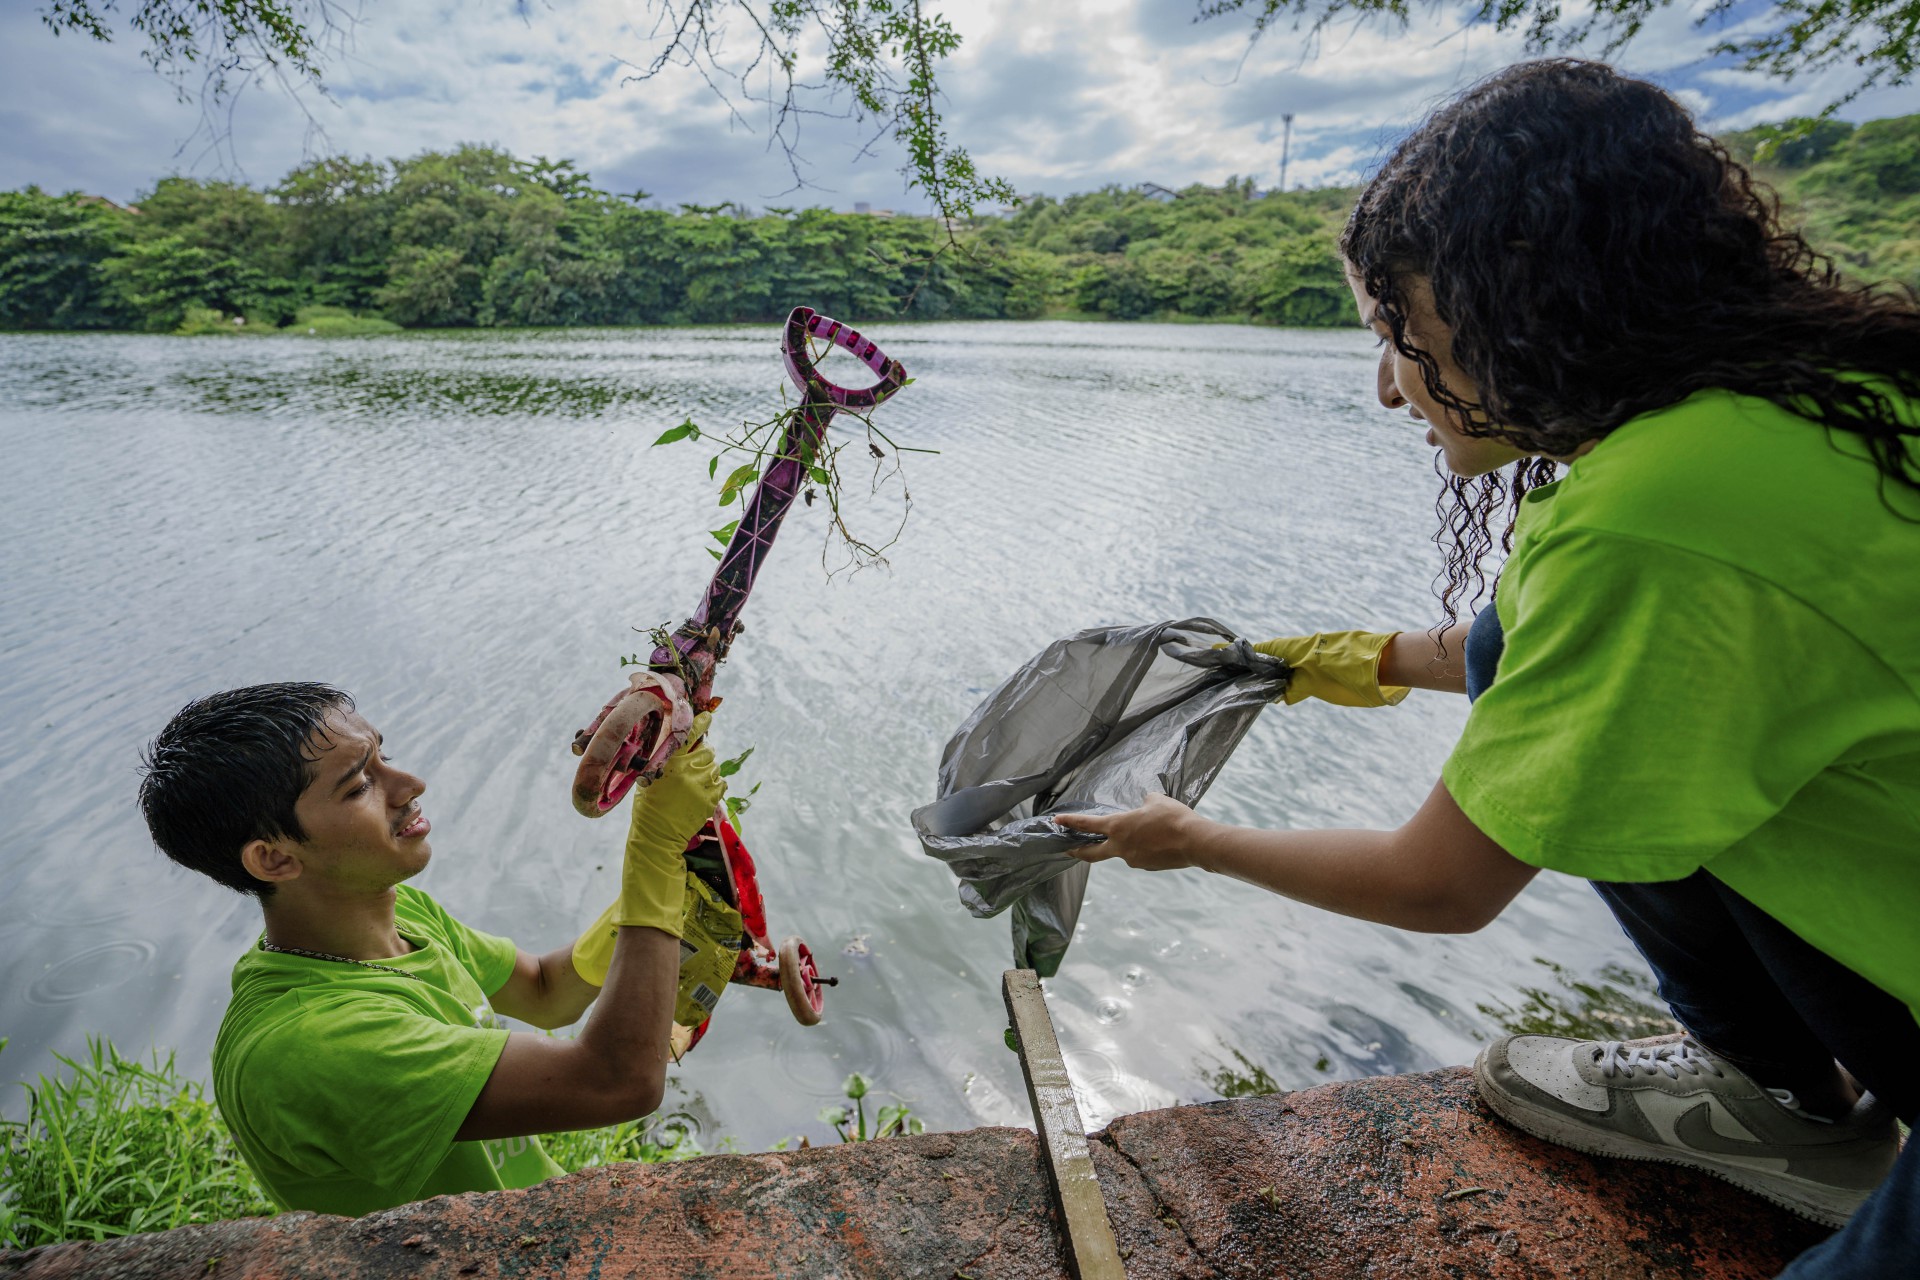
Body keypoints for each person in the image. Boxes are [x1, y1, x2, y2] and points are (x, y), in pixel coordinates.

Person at [1054, 59, 1919, 1276]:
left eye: (1398, 331)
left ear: (1521, 298)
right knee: (1532, 669)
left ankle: (1795, 1093)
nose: (1386, 383)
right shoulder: (1804, 403)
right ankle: (1789, 1101)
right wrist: (1333, 662)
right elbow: (1526, 647)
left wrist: (1190, 837)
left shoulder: (1644, 518)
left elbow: (1438, 886)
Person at [137, 682, 737, 1215]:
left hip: (523, 1221)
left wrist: (673, 876)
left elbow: (545, 992)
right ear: (274, 857)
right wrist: (654, 854)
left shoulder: (394, 914)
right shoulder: (314, 1047)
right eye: (359, 786)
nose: (409, 785)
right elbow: (617, 1082)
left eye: (384, 757)